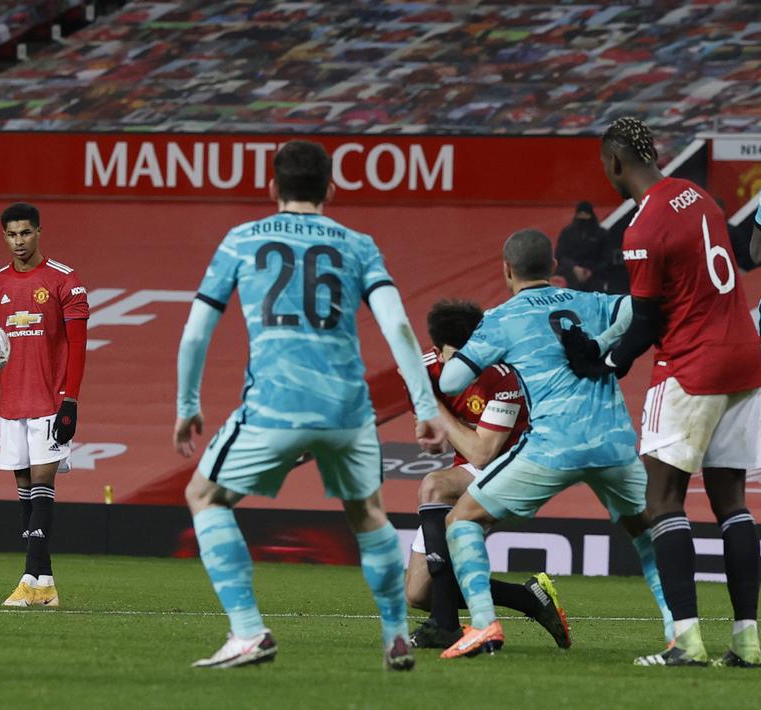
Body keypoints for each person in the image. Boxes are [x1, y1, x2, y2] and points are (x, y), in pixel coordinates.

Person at [172, 140, 446, 671]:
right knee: (367, 514)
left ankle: (249, 632)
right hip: (348, 409)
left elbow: (195, 332)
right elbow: (397, 326)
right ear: (331, 189)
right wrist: (424, 404)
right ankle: (395, 635)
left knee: (204, 495)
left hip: (275, 404)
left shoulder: (242, 240)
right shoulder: (358, 244)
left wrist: (188, 403)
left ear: (272, 187)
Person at [566, 117, 761, 667]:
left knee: (662, 502)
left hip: (692, 366)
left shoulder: (643, 226)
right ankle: (748, 640)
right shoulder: (698, 196)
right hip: (745, 357)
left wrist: (607, 359)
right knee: (733, 505)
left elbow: (648, 322)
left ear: (614, 163)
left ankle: (686, 640)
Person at [437, 229, 671, 660]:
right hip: (613, 445)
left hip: (552, 447)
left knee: (463, 520)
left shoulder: (502, 318)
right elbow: (641, 309)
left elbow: (451, 380)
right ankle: (678, 634)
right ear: (555, 268)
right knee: (649, 535)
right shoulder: (589, 302)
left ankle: (485, 625)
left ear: (506, 270)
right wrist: (601, 344)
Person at [405, 299, 570, 651]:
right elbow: (430, 433)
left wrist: (434, 409)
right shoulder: (422, 371)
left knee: (433, 487)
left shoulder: (502, 376)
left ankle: (446, 626)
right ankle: (529, 599)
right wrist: (429, 433)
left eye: (472, 353)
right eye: (457, 357)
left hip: (516, 467)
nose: (467, 365)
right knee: (419, 593)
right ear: (437, 352)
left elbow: (483, 453)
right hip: (470, 468)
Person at [0, 202, 89, 609]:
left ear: (39, 231)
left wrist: (70, 400)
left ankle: (28, 579)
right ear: (3, 236)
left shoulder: (65, 281)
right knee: (25, 493)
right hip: (13, 404)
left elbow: (78, 345)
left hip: (50, 402)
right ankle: (46, 584)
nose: (18, 241)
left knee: (42, 488)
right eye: (11, 234)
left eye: (25, 233)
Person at [554, 201, 610, 291]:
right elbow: (560, 255)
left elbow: (606, 258)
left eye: (586, 215)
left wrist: (590, 271)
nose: (583, 218)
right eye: (580, 215)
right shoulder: (567, 232)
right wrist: (574, 268)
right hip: (570, 279)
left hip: (595, 279)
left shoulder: (601, 234)